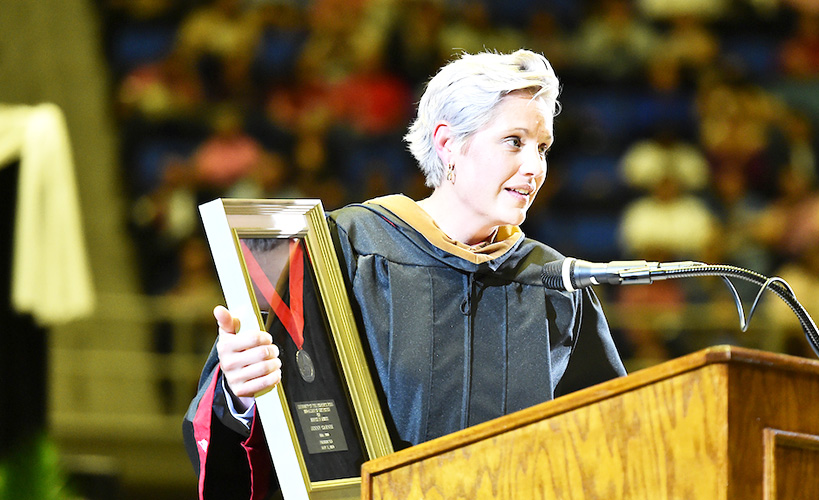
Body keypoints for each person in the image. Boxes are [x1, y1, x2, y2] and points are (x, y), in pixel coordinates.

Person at [182, 49, 628, 499]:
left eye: (542, 147)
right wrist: (239, 392)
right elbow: (269, 425)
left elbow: (609, 445)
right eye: (514, 140)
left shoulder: (552, 284)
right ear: (448, 142)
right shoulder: (347, 250)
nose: (534, 167)